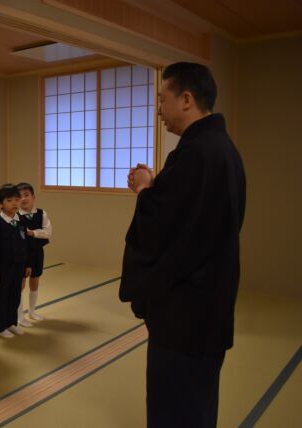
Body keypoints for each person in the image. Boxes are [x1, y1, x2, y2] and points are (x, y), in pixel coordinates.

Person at [120, 62, 246, 428]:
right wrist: (159, 186)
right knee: (198, 405)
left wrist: (145, 188)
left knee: (174, 409)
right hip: (210, 306)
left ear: (187, 99)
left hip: (184, 316)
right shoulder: (222, 149)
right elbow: (198, 219)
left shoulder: (195, 153)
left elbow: (161, 228)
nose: (158, 109)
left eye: (162, 99)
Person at [0, 184, 31, 338]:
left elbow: (25, 244)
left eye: (16, 199)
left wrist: (27, 264)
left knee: (15, 295)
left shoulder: (21, 221)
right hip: (2, 269)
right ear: (1, 203)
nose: (14, 203)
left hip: (18, 266)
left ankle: (11, 323)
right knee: (1, 297)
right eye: (9, 200)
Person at [16, 183, 52, 326]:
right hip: (21, 254)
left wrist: (33, 233)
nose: (23, 199)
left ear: (33, 197)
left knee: (35, 279)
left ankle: (32, 311)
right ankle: (20, 316)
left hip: (37, 252)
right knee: (21, 283)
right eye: (20, 196)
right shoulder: (16, 215)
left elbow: (48, 232)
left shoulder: (41, 213)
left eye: (26, 195)